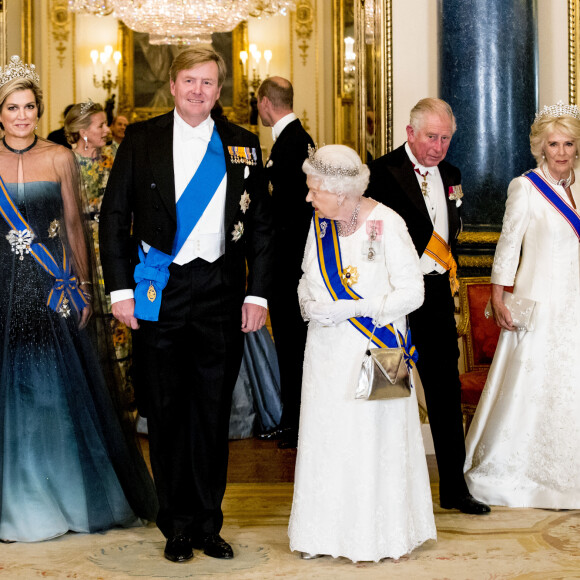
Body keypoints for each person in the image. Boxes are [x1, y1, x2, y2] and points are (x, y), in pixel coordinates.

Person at [99, 46, 274, 563]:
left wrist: (257, 292)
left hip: (221, 289)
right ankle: (175, 523)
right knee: (167, 409)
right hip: (161, 290)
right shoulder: (142, 138)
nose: (199, 91)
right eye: (190, 81)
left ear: (219, 92)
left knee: (213, 411)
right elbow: (114, 220)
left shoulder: (243, 145)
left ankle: (206, 521)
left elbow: (262, 226)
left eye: (208, 83)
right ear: (173, 86)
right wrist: (120, 291)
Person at [0, 55, 157, 542]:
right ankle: (15, 500)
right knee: (11, 398)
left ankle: (62, 494)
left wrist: (85, 285)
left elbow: (73, 227)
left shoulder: (58, 157)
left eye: (29, 107)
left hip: (52, 292)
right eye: (12, 107)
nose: (22, 116)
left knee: (54, 398)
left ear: (40, 110)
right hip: (4, 291)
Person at [288, 144, 435, 561]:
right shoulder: (320, 223)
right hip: (326, 351)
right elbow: (305, 276)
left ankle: (379, 537)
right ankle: (322, 536)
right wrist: (308, 304)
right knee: (328, 437)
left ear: (341, 192)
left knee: (376, 440)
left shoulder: (388, 223)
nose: (309, 197)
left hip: (381, 352)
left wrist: (353, 308)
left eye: (315, 189)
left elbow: (413, 293)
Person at [366, 97, 490, 515]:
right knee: (387, 391)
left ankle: (454, 489)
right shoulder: (381, 173)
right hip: (391, 302)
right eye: (431, 137)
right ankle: (386, 492)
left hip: (435, 297)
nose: (438, 147)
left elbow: (452, 230)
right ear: (410, 133)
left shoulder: (452, 174)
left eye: (446, 138)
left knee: (444, 389)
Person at [464, 103, 580, 508]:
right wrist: (498, 294)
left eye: (568, 143)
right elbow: (508, 243)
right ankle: (519, 471)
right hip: (541, 300)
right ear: (540, 148)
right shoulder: (526, 187)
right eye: (553, 144)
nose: (561, 152)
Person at [256, 76, 314, 448]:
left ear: (264, 102)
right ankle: (294, 420)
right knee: (292, 346)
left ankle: (295, 424)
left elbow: (285, 214)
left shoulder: (290, 144)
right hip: (291, 265)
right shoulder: (296, 139)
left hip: (288, 267)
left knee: (292, 346)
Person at [65, 101, 133, 408]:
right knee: (85, 323)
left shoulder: (116, 157)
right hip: (79, 249)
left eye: (107, 124)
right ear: (83, 132)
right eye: (100, 126)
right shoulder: (64, 162)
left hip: (114, 248)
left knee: (119, 323)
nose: (107, 130)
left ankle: (125, 399)